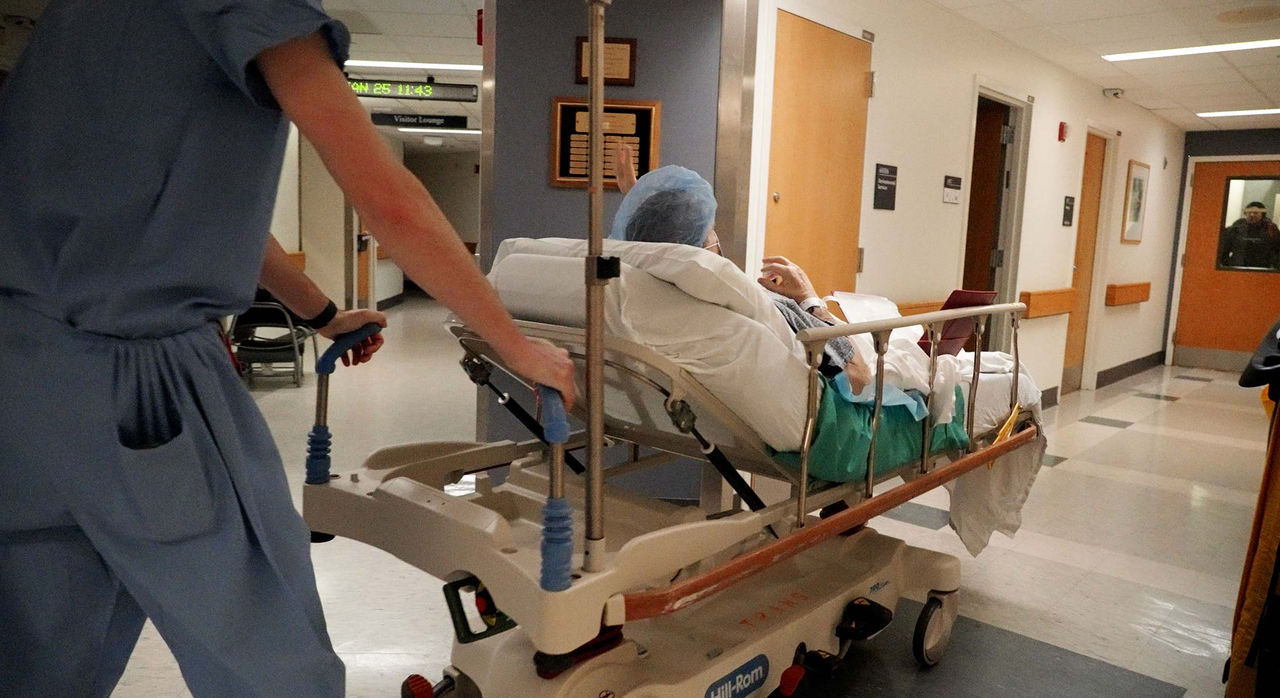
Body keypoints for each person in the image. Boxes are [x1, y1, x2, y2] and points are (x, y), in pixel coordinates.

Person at [0, 2, 575, 696]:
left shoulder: (74, 22)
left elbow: (204, 211)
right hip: (142, 378)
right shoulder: (253, 9)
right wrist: (514, 345)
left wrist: (326, 315)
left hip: (24, 378)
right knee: (272, 661)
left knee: (49, 652)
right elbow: (387, 202)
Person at [610, 143, 871, 392]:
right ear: (699, 247)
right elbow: (859, 377)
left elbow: (657, 247)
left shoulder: (639, 298)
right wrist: (809, 300)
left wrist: (640, 203)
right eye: (710, 232)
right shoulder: (761, 305)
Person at [1219, 201, 1280, 269]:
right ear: (1245, 213)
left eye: (1255, 213)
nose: (1252, 215)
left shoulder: (1271, 229)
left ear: (1262, 214)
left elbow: (1277, 249)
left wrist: (1274, 267)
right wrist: (1226, 266)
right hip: (1237, 269)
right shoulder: (1235, 228)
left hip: (1263, 270)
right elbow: (1224, 249)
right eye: (1249, 212)